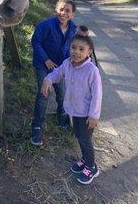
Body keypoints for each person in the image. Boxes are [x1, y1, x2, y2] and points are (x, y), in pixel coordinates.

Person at [41, 34, 102, 185]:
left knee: (85, 139)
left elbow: (97, 94)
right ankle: (85, 159)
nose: (76, 52)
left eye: (81, 49)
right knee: (79, 135)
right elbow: (57, 73)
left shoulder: (91, 70)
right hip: (74, 110)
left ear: (89, 52)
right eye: (73, 48)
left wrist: (94, 115)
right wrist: (48, 79)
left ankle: (92, 166)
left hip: (87, 114)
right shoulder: (67, 63)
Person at [30, 0, 77, 146]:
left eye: (67, 10)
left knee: (62, 92)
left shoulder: (73, 29)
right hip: (43, 65)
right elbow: (35, 41)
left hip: (60, 67)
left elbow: (74, 46)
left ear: (72, 14)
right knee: (44, 94)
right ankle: (37, 126)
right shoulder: (46, 25)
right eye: (61, 9)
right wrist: (46, 59)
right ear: (56, 10)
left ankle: (62, 116)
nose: (63, 13)